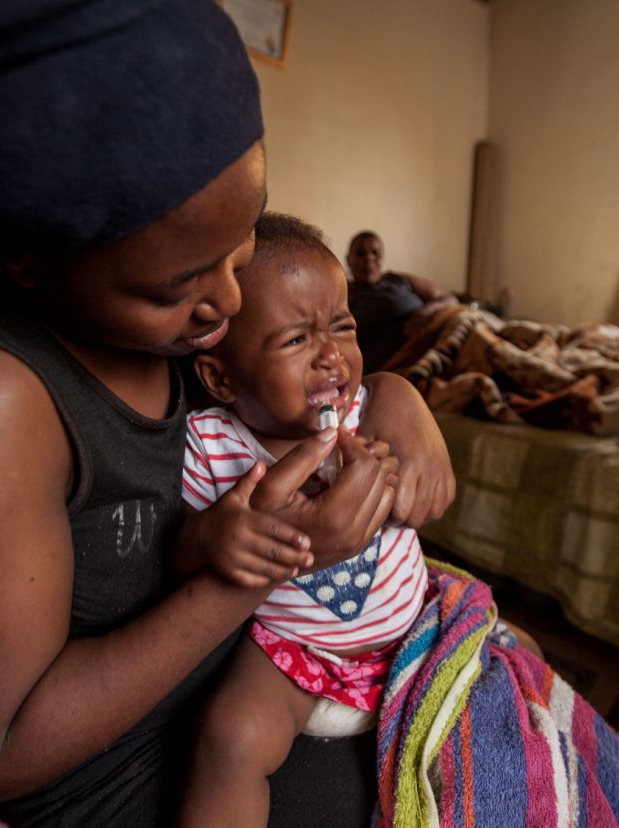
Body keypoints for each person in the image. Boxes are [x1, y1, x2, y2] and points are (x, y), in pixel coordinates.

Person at [0, 2, 454, 824]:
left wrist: (395, 397)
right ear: (16, 255)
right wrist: (269, 564)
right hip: (136, 777)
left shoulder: (171, 325)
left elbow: (292, 387)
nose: (229, 301)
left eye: (239, 247)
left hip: (264, 667)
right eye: (178, 286)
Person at [177, 214, 429, 826]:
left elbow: (421, 501)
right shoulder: (212, 445)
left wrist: (402, 427)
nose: (332, 357)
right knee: (230, 737)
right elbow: (178, 556)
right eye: (295, 341)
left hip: (414, 636)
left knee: (511, 666)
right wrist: (215, 537)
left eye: (342, 327)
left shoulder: (372, 412)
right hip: (294, 654)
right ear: (221, 377)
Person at [346, 231, 456, 371]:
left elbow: (449, 298)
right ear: (349, 259)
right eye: (360, 253)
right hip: (398, 362)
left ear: (382, 258)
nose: (369, 258)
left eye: (375, 253)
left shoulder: (398, 279)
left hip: (433, 339)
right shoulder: (343, 291)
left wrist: (427, 310)